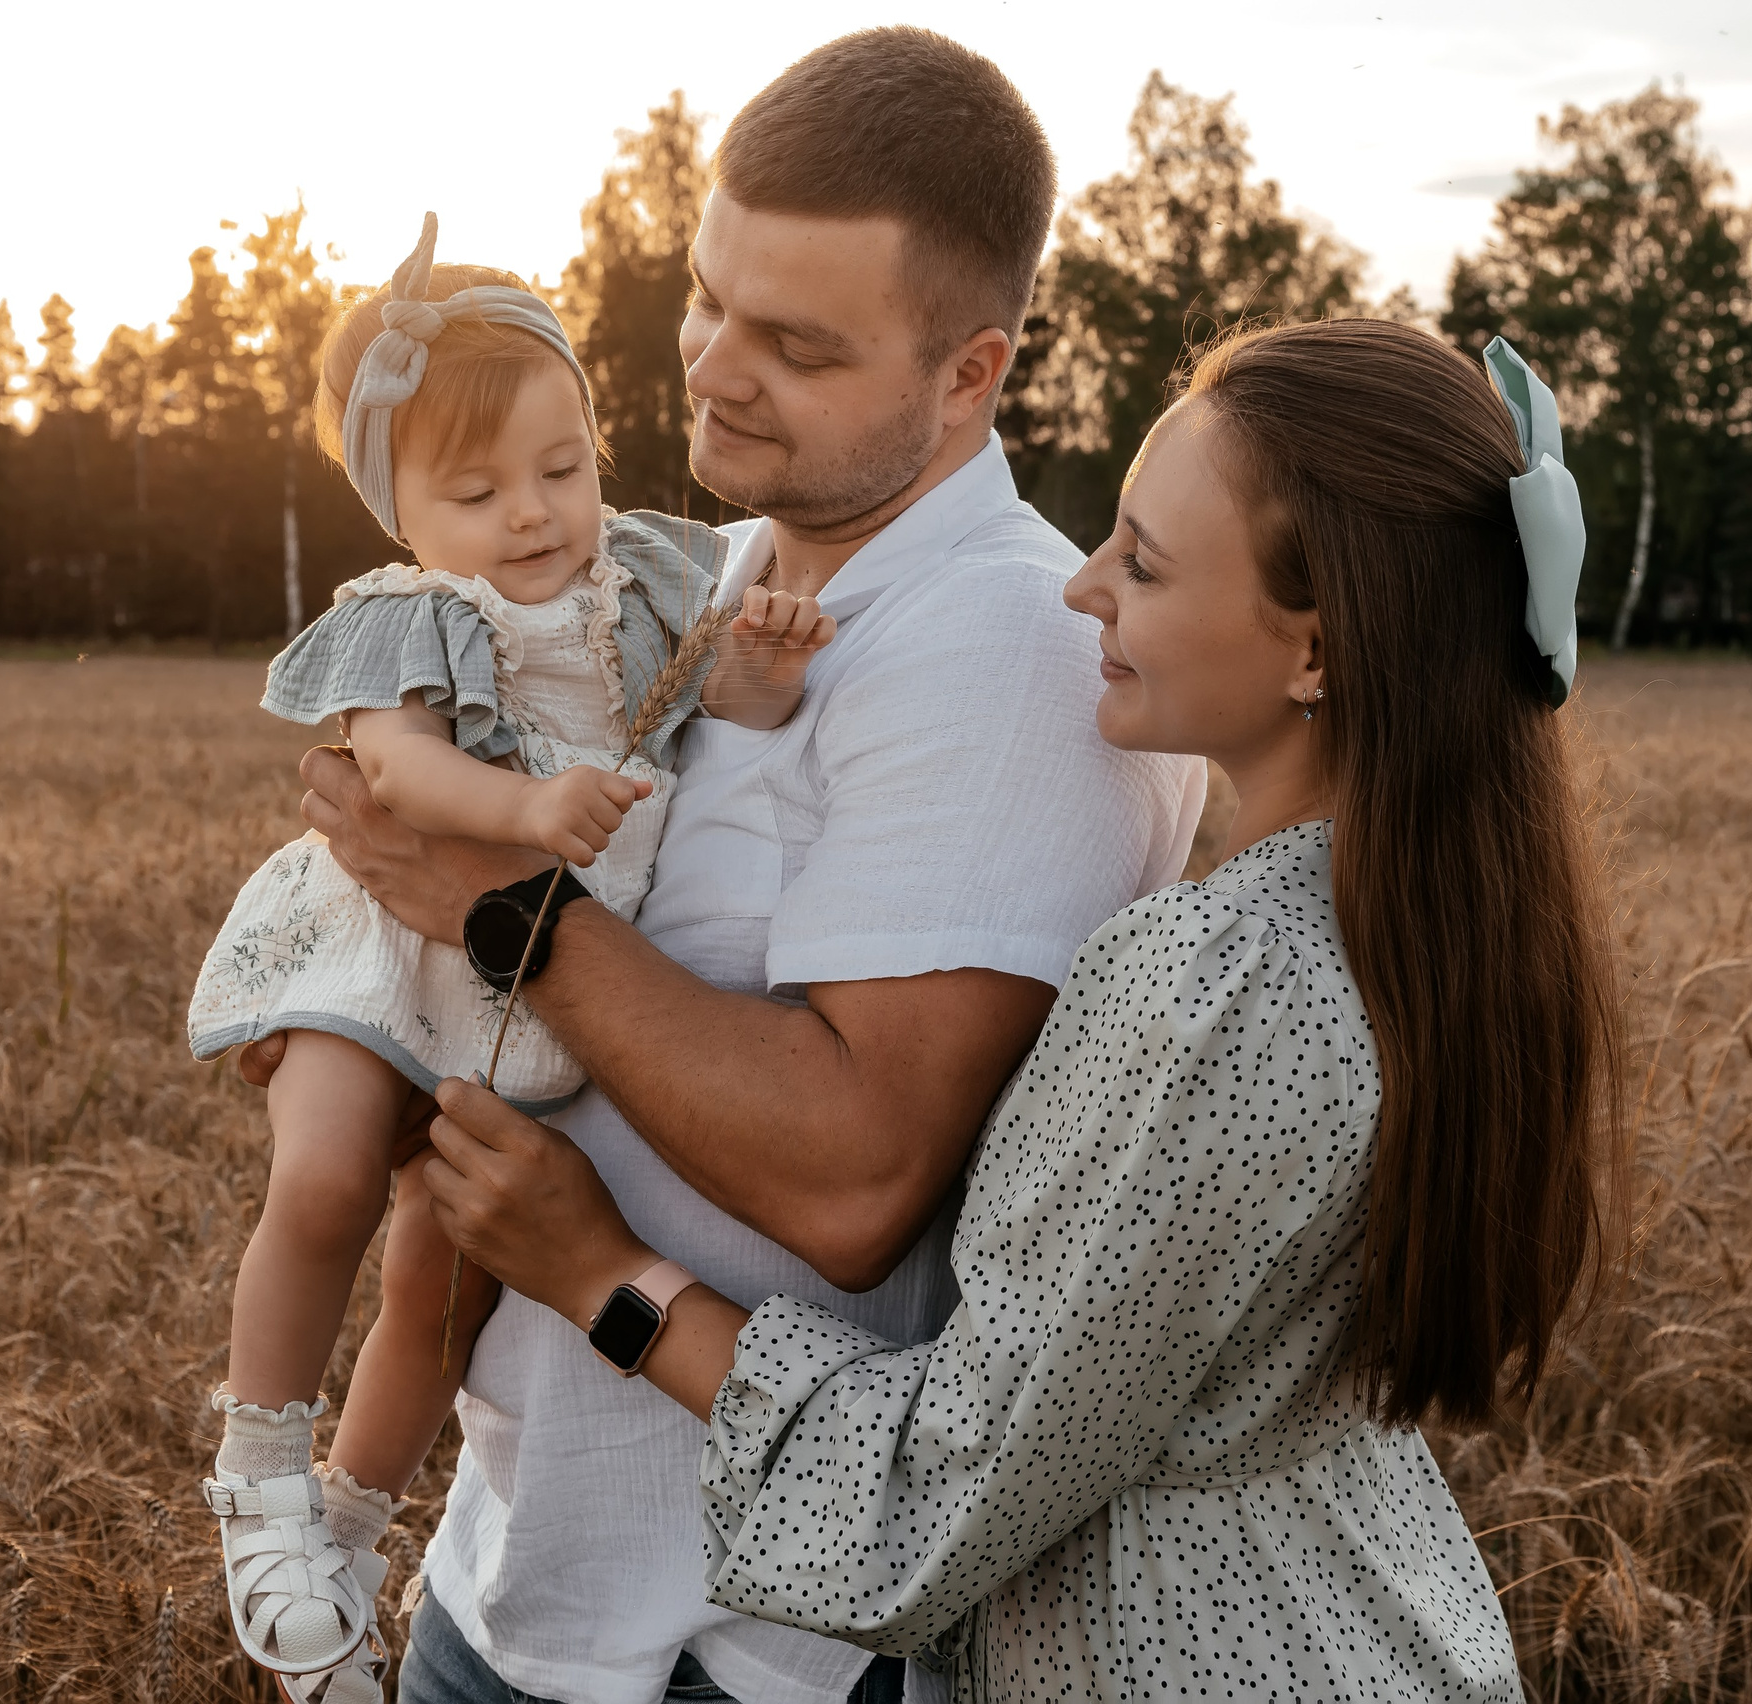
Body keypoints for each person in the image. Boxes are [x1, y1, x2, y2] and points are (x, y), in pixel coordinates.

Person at [410, 316, 1628, 1701]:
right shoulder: (1412, 919)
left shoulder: (1214, 989)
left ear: (1315, 652)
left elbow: (941, 1492)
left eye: (1146, 565)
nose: (1082, 587)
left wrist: (598, 1274)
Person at [242, 27, 1203, 1704]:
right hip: (521, 1558)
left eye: (797, 344)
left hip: (736, 1642)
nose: (711, 370)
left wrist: (485, 908)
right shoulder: (696, 576)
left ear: (969, 373)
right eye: (707, 298)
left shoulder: (1001, 652)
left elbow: (853, 1180)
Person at [185, 215, 836, 1697]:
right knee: (334, 1179)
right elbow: (402, 781)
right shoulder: (413, 615)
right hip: (379, 959)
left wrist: (766, 669)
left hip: (507, 990)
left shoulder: (652, 585)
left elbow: (703, 703)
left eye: (563, 468)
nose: (534, 514)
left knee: (444, 1282)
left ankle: (353, 1529)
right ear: (398, 508)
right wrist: (531, 806)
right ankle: (262, 1480)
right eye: (476, 491)